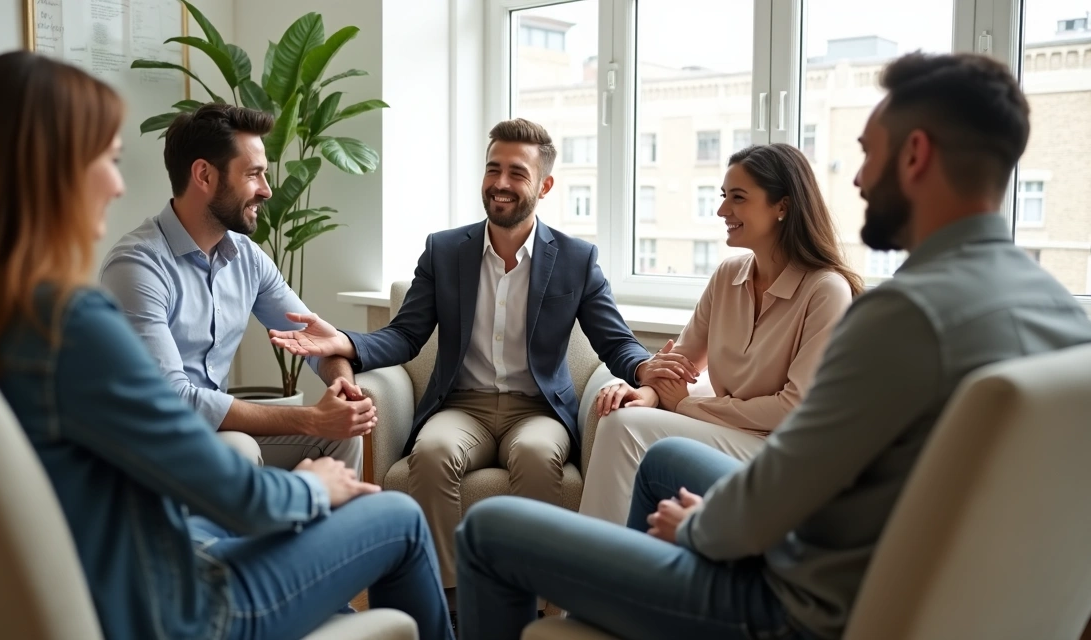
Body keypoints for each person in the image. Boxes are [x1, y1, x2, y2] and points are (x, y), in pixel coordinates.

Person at [453, 52, 1091, 640]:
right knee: (663, 463)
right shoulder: (1063, 317)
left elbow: (785, 475)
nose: (861, 178)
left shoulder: (902, 315)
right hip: (884, 564)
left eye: (869, 153)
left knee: (487, 529)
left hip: (792, 604)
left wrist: (704, 527)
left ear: (916, 154)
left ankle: (612, 600)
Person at [0, 50, 452, 640]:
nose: (118, 184)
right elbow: (233, 491)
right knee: (398, 516)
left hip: (84, 586)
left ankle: (320, 601)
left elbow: (305, 330)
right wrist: (315, 487)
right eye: (109, 159)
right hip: (171, 610)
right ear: (48, 170)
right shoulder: (67, 321)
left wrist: (336, 376)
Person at [268, 118, 678, 603]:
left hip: (538, 410)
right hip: (462, 405)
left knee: (537, 455)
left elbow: (615, 341)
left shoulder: (576, 258)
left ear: (544, 186)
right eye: (493, 168)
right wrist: (343, 342)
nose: (500, 183)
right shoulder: (444, 251)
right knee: (433, 452)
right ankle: (447, 601)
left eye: (517, 173)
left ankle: (525, 598)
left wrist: (644, 370)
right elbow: (405, 336)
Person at [580, 144, 860, 524]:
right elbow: (681, 364)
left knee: (626, 430)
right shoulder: (729, 275)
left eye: (738, 198)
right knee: (620, 418)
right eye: (723, 197)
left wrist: (686, 406)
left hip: (783, 451)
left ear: (783, 206)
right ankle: (617, 563)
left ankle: (603, 566)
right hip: (730, 433)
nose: (722, 210)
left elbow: (792, 409)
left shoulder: (826, 291)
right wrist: (644, 392)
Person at [100, 103, 371, 472]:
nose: (267, 191)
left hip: (214, 434)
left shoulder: (247, 257)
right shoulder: (137, 266)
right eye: (254, 175)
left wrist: (343, 389)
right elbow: (174, 399)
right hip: (154, 444)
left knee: (342, 432)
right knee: (237, 448)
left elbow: (313, 340)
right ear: (204, 176)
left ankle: (331, 529)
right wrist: (310, 418)